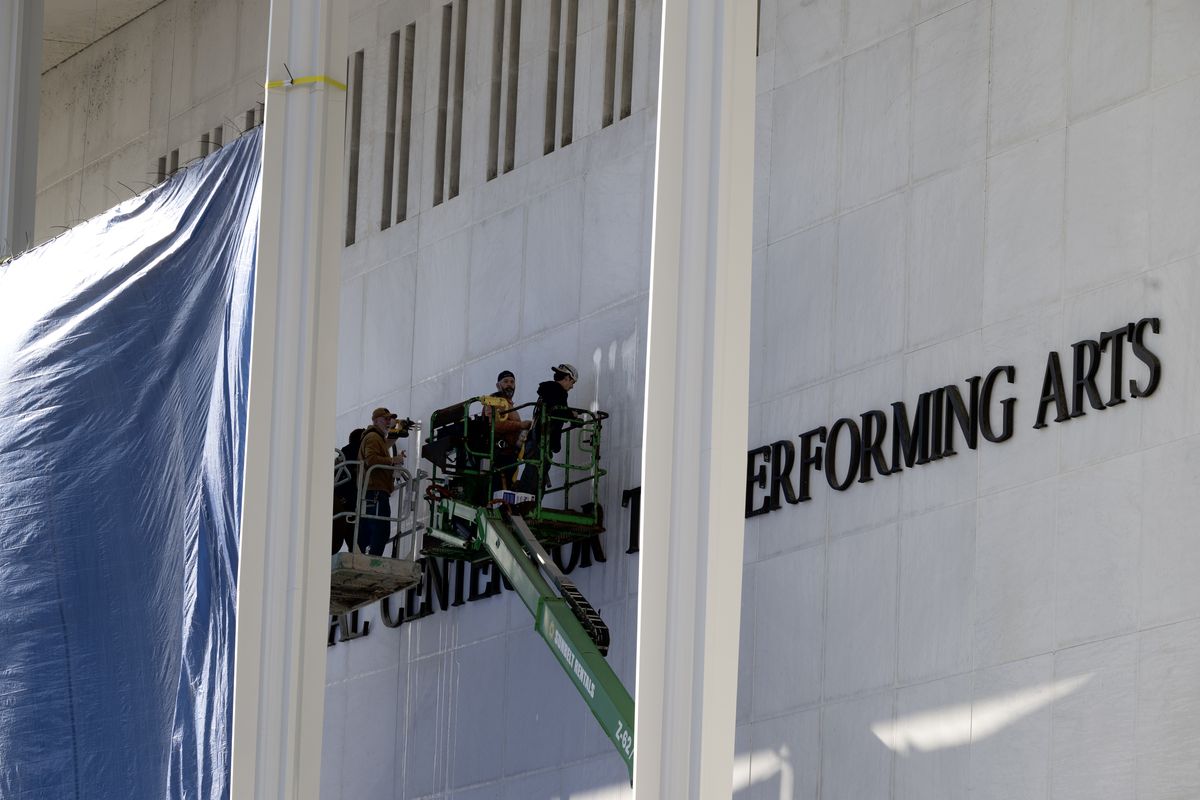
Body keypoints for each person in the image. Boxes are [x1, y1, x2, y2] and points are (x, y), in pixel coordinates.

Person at [521, 363, 580, 491]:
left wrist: (569, 414)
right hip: (540, 443)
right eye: (572, 383)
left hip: (535, 441)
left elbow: (552, 410)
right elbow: (557, 411)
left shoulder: (548, 391)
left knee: (533, 476)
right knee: (534, 480)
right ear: (567, 378)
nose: (572, 387)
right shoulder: (558, 391)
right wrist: (572, 415)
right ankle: (524, 505)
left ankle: (525, 503)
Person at [357, 407, 407, 555]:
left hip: (373, 491)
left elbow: (384, 447)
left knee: (372, 529)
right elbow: (371, 459)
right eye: (386, 419)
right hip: (376, 491)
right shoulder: (373, 437)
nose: (389, 422)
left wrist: (396, 433)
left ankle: (366, 556)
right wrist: (393, 460)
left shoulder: (375, 437)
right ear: (376, 420)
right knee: (381, 529)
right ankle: (373, 559)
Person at [482, 369, 532, 490]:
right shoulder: (493, 402)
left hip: (510, 455)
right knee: (498, 486)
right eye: (505, 381)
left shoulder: (511, 407)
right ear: (498, 385)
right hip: (498, 454)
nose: (509, 384)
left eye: (512, 382)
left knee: (506, 487)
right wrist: (520, 425)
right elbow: (494, 425)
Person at [332, 427, 364, 554]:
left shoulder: (343, 454)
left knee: (347, 529)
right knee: (352, 530)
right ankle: (355, 553)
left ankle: (354, 552)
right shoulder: (355, 451)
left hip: (341, 499)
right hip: (350, 498)